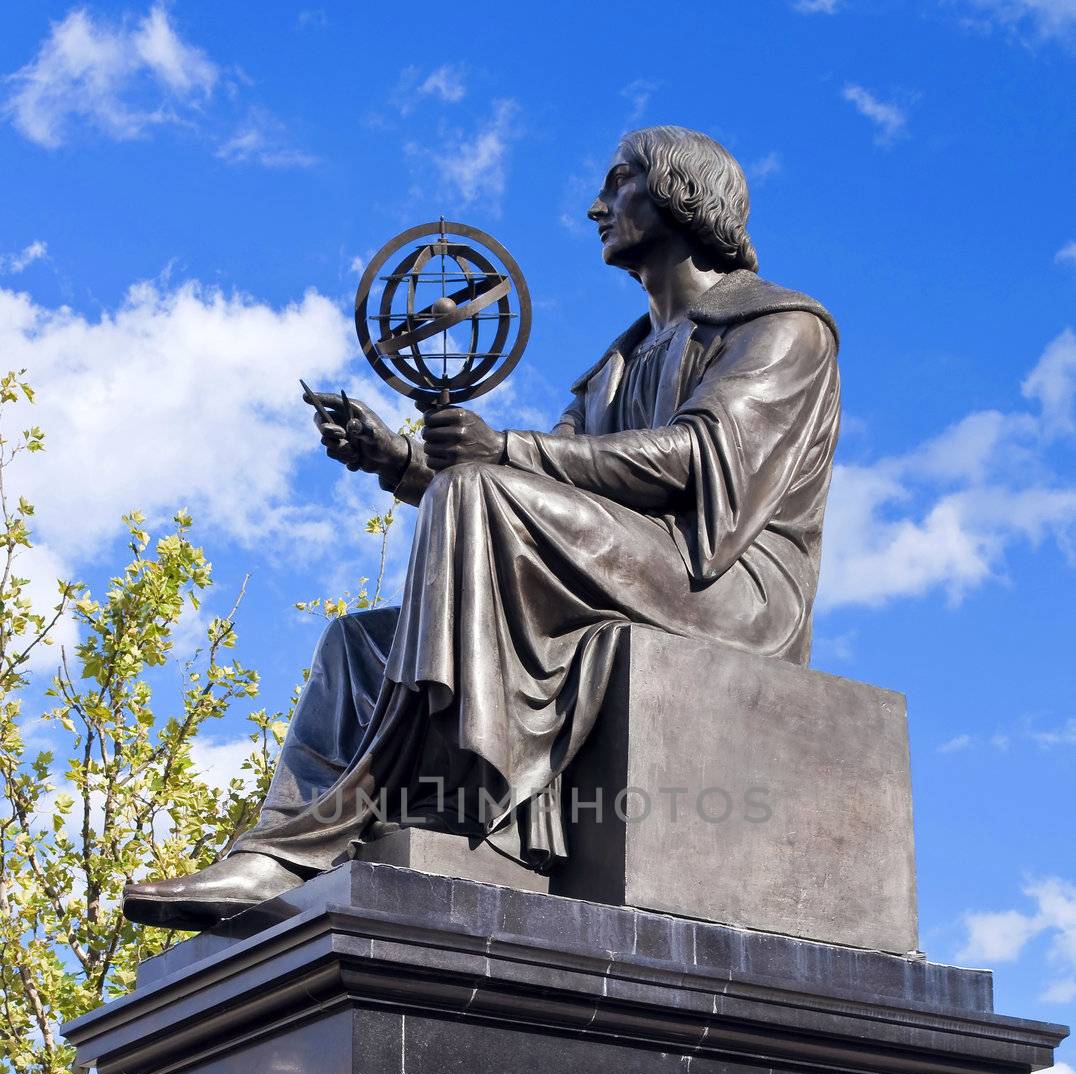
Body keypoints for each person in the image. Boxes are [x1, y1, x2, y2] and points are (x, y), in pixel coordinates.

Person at [124, 125, 840, 930]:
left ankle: (315, 843)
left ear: (680, 193)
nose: (596, 206)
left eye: (619, 182)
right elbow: (535, 489)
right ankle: (273, 844)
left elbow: (698, 457)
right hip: (631, 571)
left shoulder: (780, 326)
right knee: (359, 646)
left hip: (727, 585)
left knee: (476, 491)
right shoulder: (616, 366)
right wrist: (395, 460)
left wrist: (500, 448)